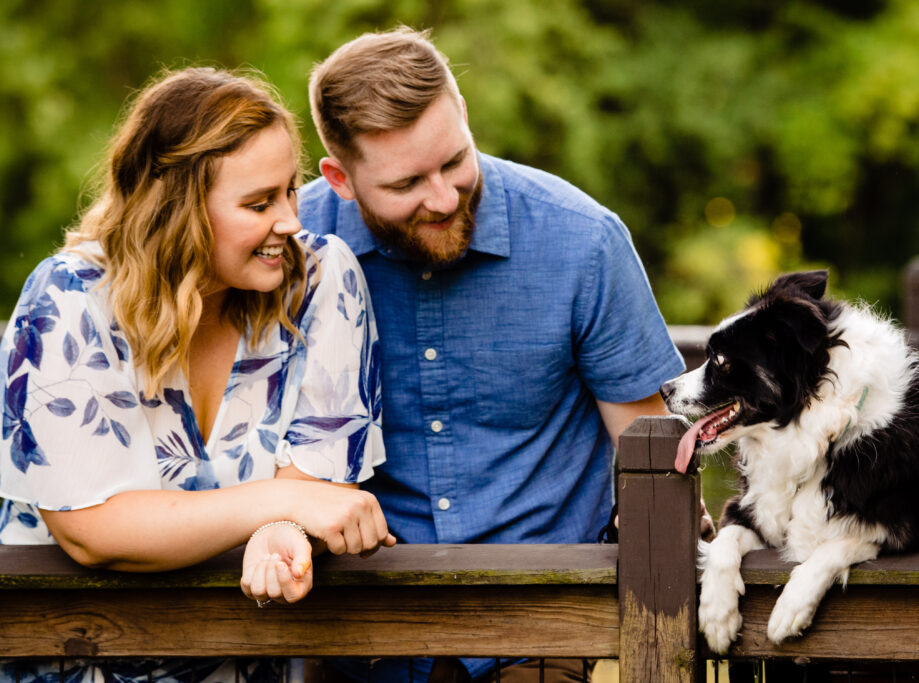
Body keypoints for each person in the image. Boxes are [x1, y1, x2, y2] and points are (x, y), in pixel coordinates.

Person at [300, 27, 694, 682]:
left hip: (537, 628)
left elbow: (649, 449)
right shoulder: (293, 249)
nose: (445, 197)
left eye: (456, 160)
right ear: (341, 178)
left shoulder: (583, 241)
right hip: (352, 625)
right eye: (407, 183)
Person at [0, 66, 395, 683]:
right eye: (258, 203)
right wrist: (284, 502)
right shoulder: (68, 298)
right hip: (72, 654)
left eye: (290, 191)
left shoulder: (321, 279)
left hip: (248, 657)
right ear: (177, 210)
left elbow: (319, 480)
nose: (290, 220)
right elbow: (92, 529)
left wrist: (283, 527)